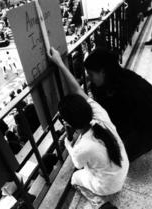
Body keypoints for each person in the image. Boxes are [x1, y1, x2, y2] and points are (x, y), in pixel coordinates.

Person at [48, 47, 129, 209]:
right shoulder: (99, 113)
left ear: (68, 124)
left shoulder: (81, 147)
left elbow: (78, 164)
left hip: (109, 186)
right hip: (123, 169)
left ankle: (99, 204)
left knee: (75, 179)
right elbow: (78, 90)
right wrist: (59, 62)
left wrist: (68, 146)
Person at [83, 48, 152, 162]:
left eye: (91, 74)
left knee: (117, 158)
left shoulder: (127, 88)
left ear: (103, 72)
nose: (88, 78)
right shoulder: (106, 83)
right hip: (151, 117)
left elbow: (118, 124)